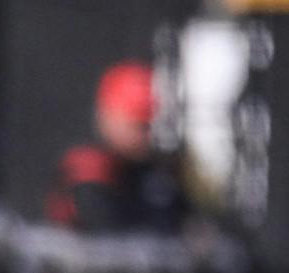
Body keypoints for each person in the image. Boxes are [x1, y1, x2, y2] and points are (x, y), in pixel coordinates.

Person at [47, 59, 194, 232]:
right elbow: (100, 229)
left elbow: (185, 223)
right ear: (108, 119)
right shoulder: (89, 169)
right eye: (138, 125)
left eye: (149, 126)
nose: (145, 136)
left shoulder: (158, 174)